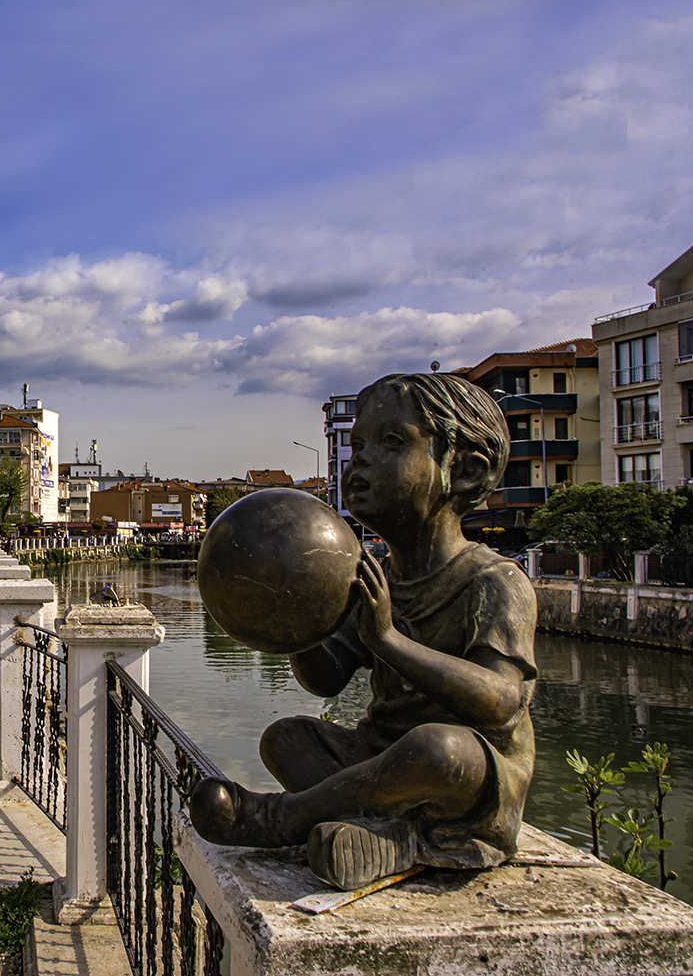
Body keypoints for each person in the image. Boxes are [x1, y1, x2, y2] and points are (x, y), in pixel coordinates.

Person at [188, 373, 536, 893]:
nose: (362, 461)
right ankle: (393, 836)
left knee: (438, 750)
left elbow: (501, 702)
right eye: (358, 445)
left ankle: (280, 818)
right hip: (377, 755)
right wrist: (301, 615)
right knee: (287, 738)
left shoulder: (493, 580)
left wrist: (389, 641)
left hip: (469, 779)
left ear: (464, 471)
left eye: (392, 442)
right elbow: (325, 679)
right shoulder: (375, 573)